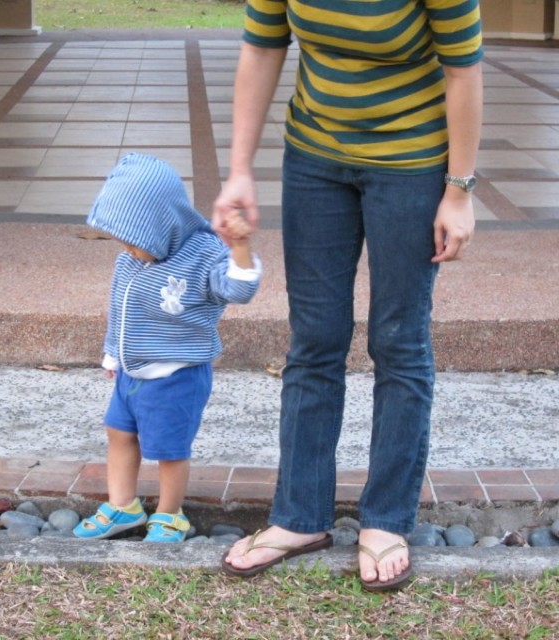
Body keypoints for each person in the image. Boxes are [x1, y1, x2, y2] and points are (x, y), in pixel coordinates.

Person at [213, 1, 483, 589]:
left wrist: (458, 190)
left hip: (411, 165)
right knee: (314, 339)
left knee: (399, 340)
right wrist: (238, 170)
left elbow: (464, 69)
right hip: (314, 160)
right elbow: (262, 48)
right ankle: (299, 517)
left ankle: (385, 520)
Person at [74, 152, 261, 543]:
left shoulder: (204, 256)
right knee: (118, 433)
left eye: (134, 241)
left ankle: (170, 514)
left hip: (176, 376)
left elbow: (239, 289)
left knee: (169, 449)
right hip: (131, 373)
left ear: (159, 224)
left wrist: (240, 247)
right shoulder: (131, 262)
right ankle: (124, 505)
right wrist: (113, 352)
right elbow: (120, 309)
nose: (128, 250)